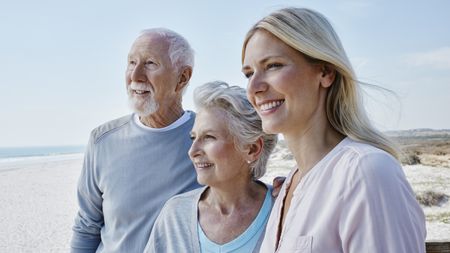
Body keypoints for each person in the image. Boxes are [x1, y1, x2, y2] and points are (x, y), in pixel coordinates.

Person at [241, 7, 427, 253]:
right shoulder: (290, 184)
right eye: (249, 73)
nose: (254, 87)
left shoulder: (366, 173)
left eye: (273, 65)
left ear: (325, 72)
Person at [70, 28, 201, 252]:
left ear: (182, 77)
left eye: (150, 63)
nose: (135, 76)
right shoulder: (102, 140)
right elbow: (87, 226)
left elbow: (247, 197)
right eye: (131, 62)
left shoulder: (209, 138)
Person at [144, 81, 278, 253]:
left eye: (208, 137)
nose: (193, 151)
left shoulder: (283, 210)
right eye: (193, 138)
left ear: (252, 149)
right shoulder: (176, 213)